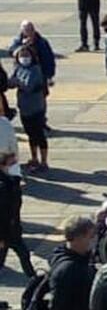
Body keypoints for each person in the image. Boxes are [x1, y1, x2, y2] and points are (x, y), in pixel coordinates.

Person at [10, 44, 50, 171]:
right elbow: (10, 82)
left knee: (39, 134)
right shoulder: (18, 68)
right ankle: (34, 158)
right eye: (21, 55)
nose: (24, 58)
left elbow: (29, 87)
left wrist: (18, 83)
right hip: (24, 107)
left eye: (26, 55)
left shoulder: (35, 70)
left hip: (36, 107)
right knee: (30, 134)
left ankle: (44, 161)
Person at [0, 145, 36, 280]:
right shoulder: (4, 186)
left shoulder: (10, 181)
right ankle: (33, 278)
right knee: (22, 254)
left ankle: (34, 278)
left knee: (22, 254)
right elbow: (3, 213)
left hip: (12, 229)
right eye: (11, 163)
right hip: (6, 231)